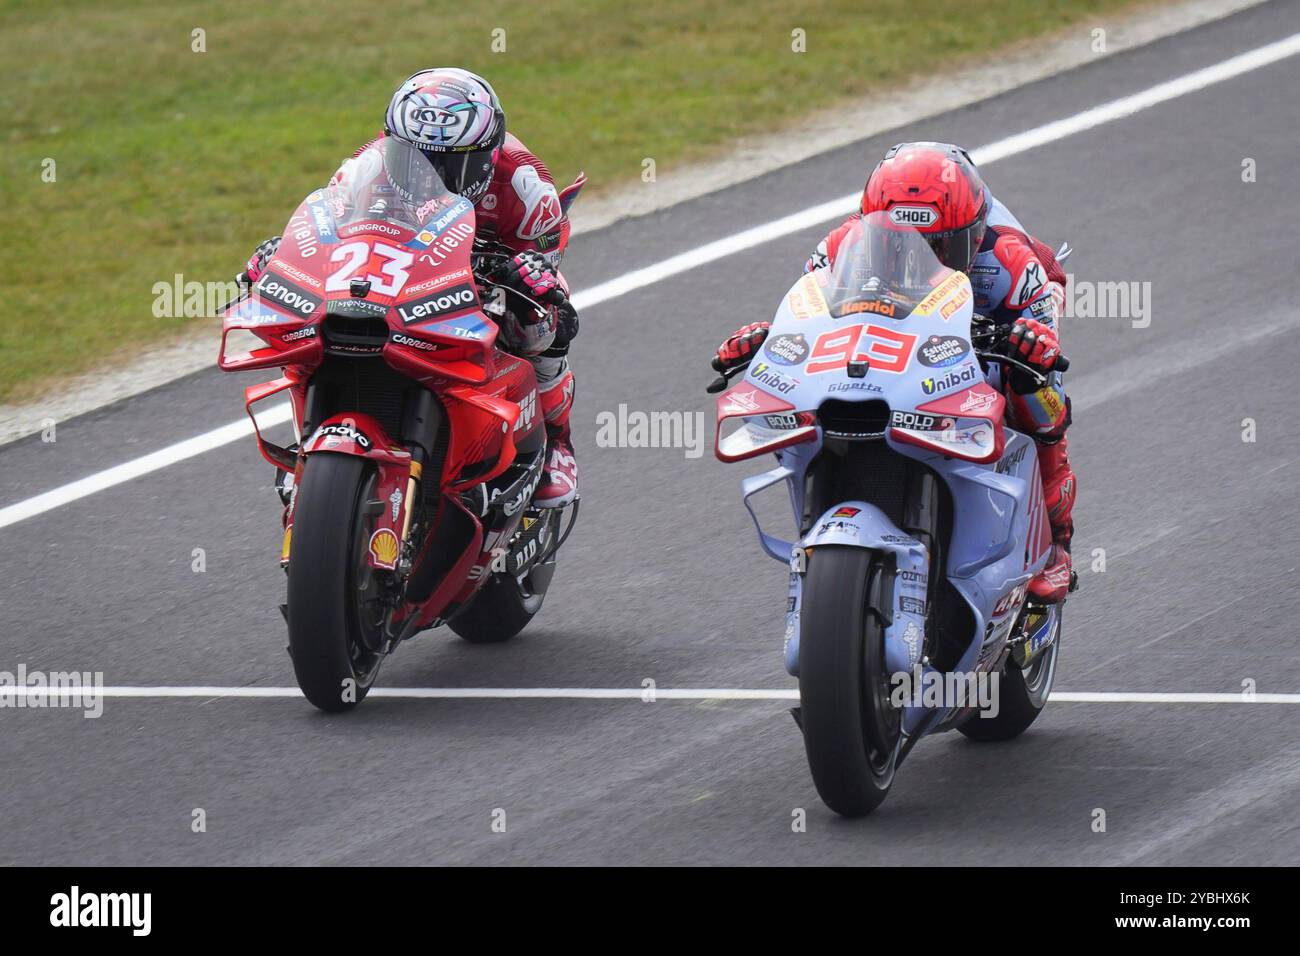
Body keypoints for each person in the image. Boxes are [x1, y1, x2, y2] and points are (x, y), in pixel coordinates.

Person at [714, 142, 1076, 601]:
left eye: (940, 246)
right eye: (896, 240)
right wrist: (768, 341)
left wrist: (1031, 345)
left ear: (974, 232)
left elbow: (1042, 343)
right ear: (868, 227)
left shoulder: (1011, 262)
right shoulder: (839, 245)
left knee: (1039, 400)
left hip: (997, 317)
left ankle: (1058, 544)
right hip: (896, 327)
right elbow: (808, 314)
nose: (918, 254)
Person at [240, 68, 580, 507]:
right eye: (414, 159)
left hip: (486, 274)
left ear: (488, 156)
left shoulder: (526, 188)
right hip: (401, 270)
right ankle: (310, 441)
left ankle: (557, 444)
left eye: (450, 163)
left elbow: (545, 271)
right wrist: (280, 252)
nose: (430, 174)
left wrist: (527, 274)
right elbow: (327, 230)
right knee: (316, 321)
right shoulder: (362, 169)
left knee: (544, 325)